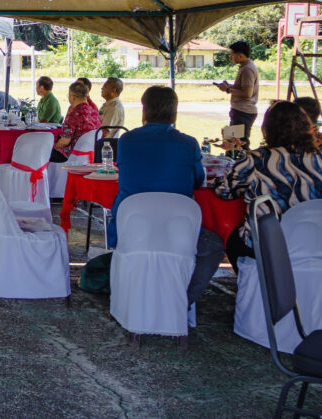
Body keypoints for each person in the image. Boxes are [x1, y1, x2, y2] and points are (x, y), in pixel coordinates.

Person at [110, 86, 220, 307]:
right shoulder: (189, 144)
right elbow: (199, 181)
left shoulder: (126, 141)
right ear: (174, 112)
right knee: (215, 245)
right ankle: (184, 299)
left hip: (130, 228)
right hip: (177, 230)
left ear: (144, 111)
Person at [213, 100, 322, 271]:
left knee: (233, 238)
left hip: (268, 246)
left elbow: (225, 192)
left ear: (268, 129)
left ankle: (251, 280)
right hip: (315, 244)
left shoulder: (256, 160)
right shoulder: (319, 158)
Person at [215, 40, 259, 145]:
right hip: (240, 111)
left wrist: (227, 90)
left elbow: (247, 93)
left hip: (243, 112)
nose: (231, 57)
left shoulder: (247, 69)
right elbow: (242, 88)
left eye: (232, 54)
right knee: (231, 143)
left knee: (238, 145)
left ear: (240, 55)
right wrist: (229, 86)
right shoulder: (245, 67)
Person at [51, 81, 101, 162]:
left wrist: (53, 147)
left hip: (72, 155)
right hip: (90, 154)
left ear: (72, 97)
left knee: (43, 153)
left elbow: (64, 141)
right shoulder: (95, 113)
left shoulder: (74, 114)